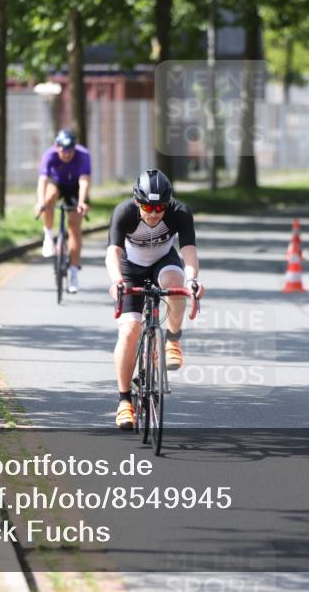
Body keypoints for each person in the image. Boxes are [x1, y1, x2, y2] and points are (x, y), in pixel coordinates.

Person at [106, 169, 204, 430]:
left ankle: (172, 340)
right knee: (129, 331)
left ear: (167, 203)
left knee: (176, 284)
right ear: (136, 202)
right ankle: (124, 401)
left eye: (159, 207)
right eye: (147, 207)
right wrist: (116, 281)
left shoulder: (179, 212)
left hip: (163, 260)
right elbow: (113, 252)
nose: (153, 213)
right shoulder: (124, 212)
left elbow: (189, 250)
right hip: (131, 268)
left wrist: (193, 280)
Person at [36, 129, 91, 293]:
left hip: (75, 187)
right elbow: (43, 180)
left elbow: (84, 181)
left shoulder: (83, 155)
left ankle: (73, 272)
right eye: (63, 150)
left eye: (70, 151)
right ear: (56, 147)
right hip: (58, 183)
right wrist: (40, 202)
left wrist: (81, 202)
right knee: (49, 198)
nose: (67, 154)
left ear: (75, 148)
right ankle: (48, 236)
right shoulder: (49, 155)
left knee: (74, 228)